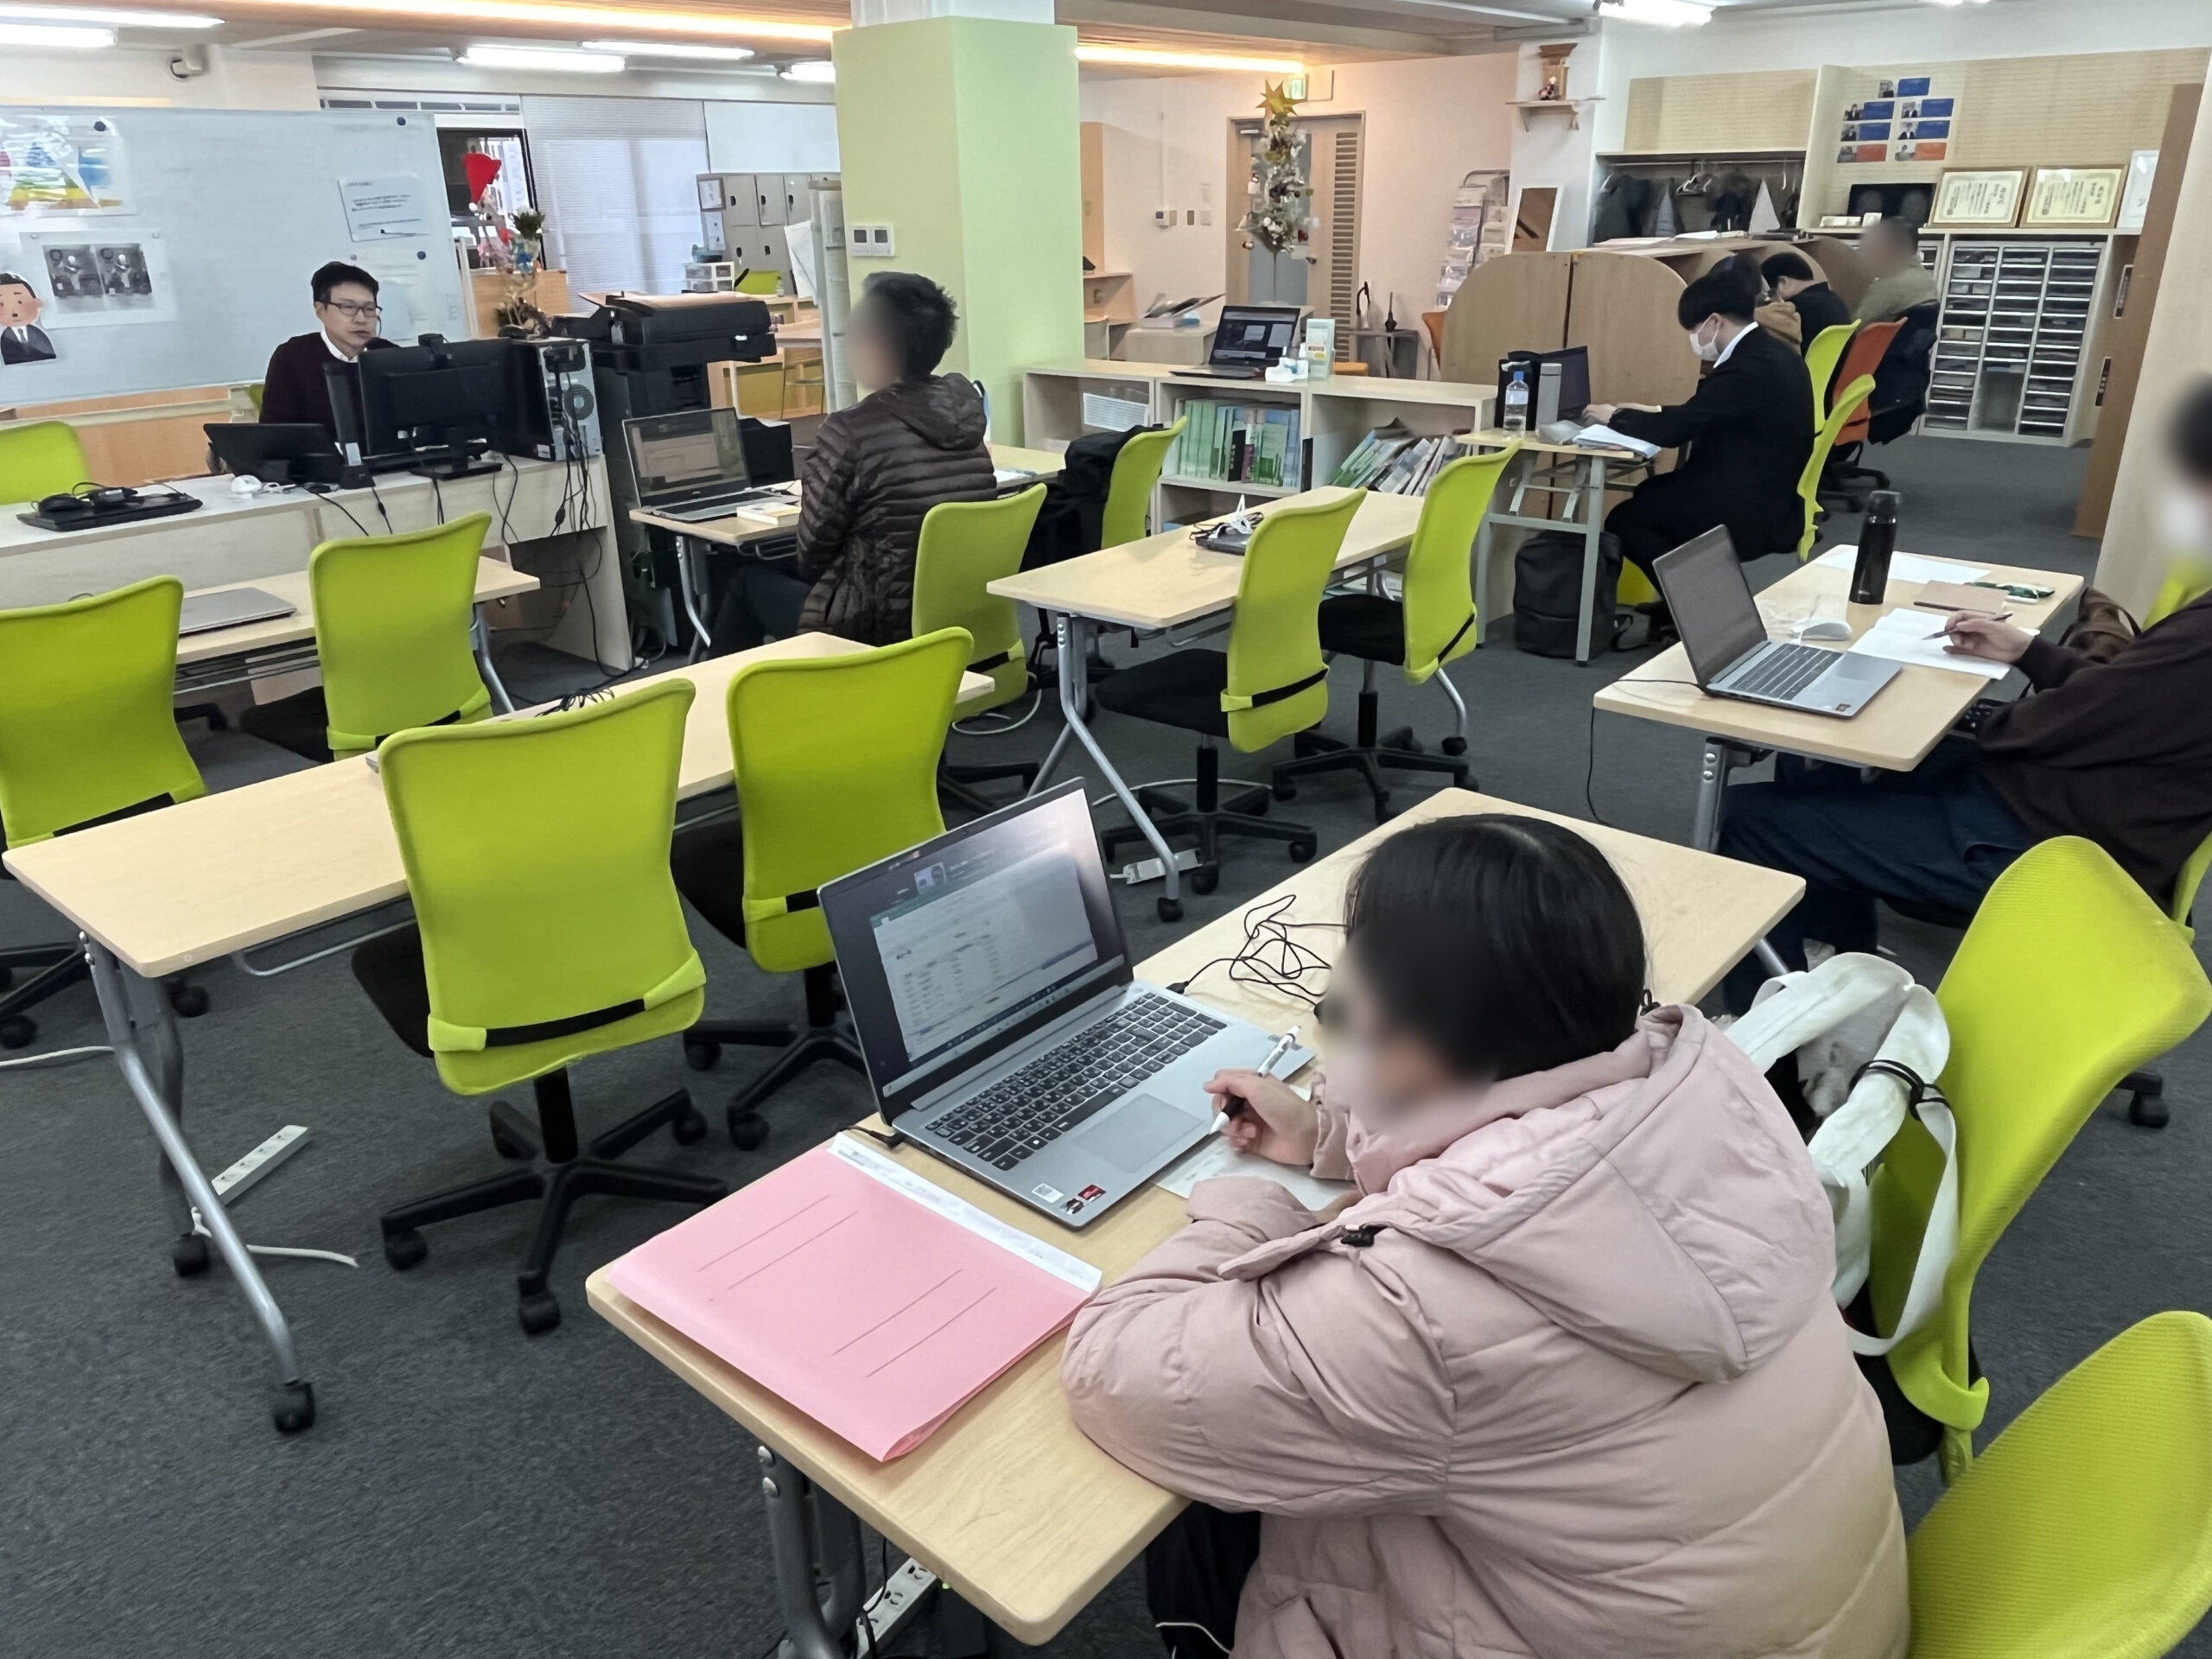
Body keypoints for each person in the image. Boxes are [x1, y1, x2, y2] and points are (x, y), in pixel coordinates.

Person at [1063, 815, 1909, 1659]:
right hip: (1811, 1621)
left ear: (1418, 1040)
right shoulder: (1709, 1097)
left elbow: (1114, 1372)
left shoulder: (1424, 1311)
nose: (1337, 1012)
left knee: (1195, 1517)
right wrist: (1327, 1135)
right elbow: (1527, 1147)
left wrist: (1249, 1211)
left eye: (1344, 1001)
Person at [1718, 378, 2212, 1013]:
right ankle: (1841, 960)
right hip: (2080, 800)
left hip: (2051, 842)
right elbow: (2123, 699)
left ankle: (1772, 1042)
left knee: (1752, 818)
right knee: (1817, 759)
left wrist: (1973, 722)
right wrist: (2027, 652)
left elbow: (2076, 722)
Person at [711, 270, 995, 652]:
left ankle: (722, 690)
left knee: (744, 580)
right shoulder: (967, 415)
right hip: (953, 613)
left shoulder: (849, 430)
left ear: (875, 345)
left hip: (873, 625)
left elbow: (812, 556)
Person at [1585, 265, 1815, 620]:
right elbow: (1710, 410)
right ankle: (1691, 598)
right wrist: (1651, 411)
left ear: (1714, 321)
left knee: (1626, 520)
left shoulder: (1747, 369)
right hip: (1768, 488)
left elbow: (1676, 432)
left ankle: (1703, 613)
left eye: (1694, 330)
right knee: (1649, 493)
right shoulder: (1770, 352)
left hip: (1748, 505)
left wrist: (1614, 417)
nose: (1694, 339)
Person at [259, 260, 395, 439]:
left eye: (369, 309)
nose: (361, 319)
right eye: (348, 307)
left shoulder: (391, 356)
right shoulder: (292, 357)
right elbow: (275, 434)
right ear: (320, 310)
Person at [1763, 250, 1854, 348]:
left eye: (1769, 294)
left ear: (1783, 282)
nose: (1768, 301)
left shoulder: (1794, 308)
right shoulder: (1835, 299)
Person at [1855, 218, 1938, 323]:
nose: (1865, 256)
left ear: (1891, 249)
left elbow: (1854, 326)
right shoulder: (1927, 280)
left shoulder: (1886, 288)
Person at [0, 271, 55, 365]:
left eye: (20, 302)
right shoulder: (5, 338)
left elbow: (48, 354)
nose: (15, 313)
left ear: (37, 303)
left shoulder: (38, 334)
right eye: (2, 304)